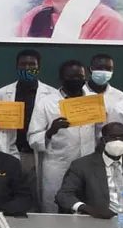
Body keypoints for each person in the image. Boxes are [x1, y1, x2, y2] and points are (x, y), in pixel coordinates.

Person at [28, 60, 98, 213]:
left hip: (88, 164)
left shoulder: (93, 100)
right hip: (58, 165)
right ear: (61, 78)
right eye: (71, 77)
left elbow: (100, 133)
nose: (76, 80)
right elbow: (32, 138)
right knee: (54, 208)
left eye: (80, 77)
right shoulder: (46, 103)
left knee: (87, 207)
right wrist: (51, 131)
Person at [0, 49, 56, 167]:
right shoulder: (1, 94)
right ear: (16, 67)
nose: (27, 68)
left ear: (38, 67)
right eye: (23, 64)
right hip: (10, 151)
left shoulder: (52, 94)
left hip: (38, 152)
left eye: (32, 64)